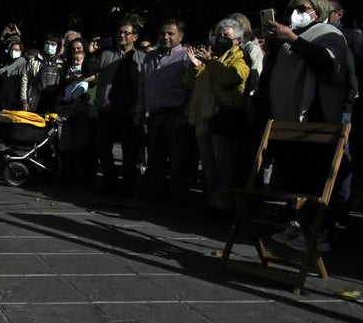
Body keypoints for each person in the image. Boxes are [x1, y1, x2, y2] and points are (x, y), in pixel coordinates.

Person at [257, 0, 350, 253]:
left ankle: (319, 232)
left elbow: (328, 64)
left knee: (314, 180)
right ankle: (299, 224)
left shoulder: (328, 34)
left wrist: (293, 39)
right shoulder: (288, 39)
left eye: (303, 8)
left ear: (318, 11)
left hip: (315, 118)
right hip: (287, 121)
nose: (295, 14)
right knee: (297, 181)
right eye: (292, 9)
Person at [184, 18, 250, 214]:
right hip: (203, 119)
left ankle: (226, 204)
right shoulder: (210, 57)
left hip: (223, 118)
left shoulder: (240, 58)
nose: (220, 38)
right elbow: (189, 83)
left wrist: (210, 63)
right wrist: (195, 66)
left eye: (226, 36)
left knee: (224, 166)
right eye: (218, 35)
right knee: (208, 166)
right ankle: (214, 200)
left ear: (237, 40)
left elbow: (233, 78)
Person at [137, 19, 194, 201]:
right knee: (155, 158)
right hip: (154, 115)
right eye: (163, 33)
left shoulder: (185, 57)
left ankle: (177, 197)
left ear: (180, 36)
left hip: (175, 114)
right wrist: (140, 111)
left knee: (178, 159)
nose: (166, 37)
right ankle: (157, 195)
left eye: (170, 33)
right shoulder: (150, 58)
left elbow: (192, 89)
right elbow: (143, 87)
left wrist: (185, 115)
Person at [91, 18, 146, 196]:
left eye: (126, 33)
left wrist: (139, 108)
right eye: (119, 32)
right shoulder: (106, 54)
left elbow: (143, 85)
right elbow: (91, 72)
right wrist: (92, 54)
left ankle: (127, 185)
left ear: (134, 37)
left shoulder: (142, 58)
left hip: (129, 108)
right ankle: (109, 181)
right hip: (108, 106)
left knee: (129, 150)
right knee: (103, 146)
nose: (122, 35)